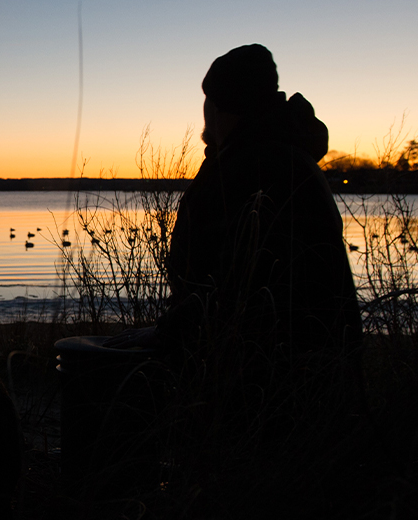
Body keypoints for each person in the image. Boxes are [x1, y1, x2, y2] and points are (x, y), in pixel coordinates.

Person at [106, 44, 364, 431]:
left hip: (266, 388)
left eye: (209, 100)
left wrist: (169, 333)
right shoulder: (272, 157)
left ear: (223, 105)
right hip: (292, 375)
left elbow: (244, 285)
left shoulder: (258, 167)